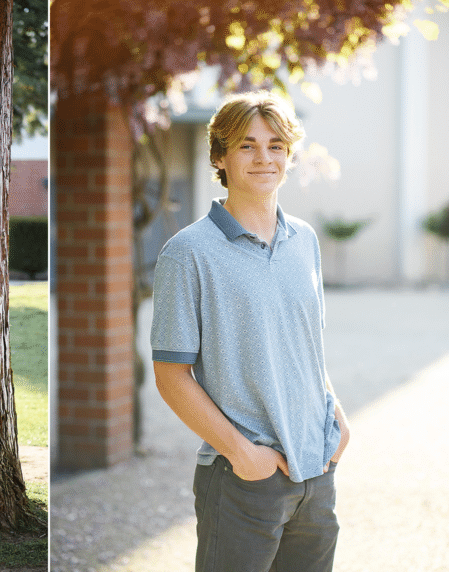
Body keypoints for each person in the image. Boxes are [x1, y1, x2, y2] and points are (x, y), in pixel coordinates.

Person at [150, 91, 350, 572]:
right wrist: (243, 454)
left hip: (317, 469)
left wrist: (337, 421)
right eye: (247, 145)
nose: (264, 157)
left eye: (276, 145)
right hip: (243, 479)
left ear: (289, 155)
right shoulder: (188, 252)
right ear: (219, 155)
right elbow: (171, 375)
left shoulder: (304, 240)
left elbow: (304, 346)